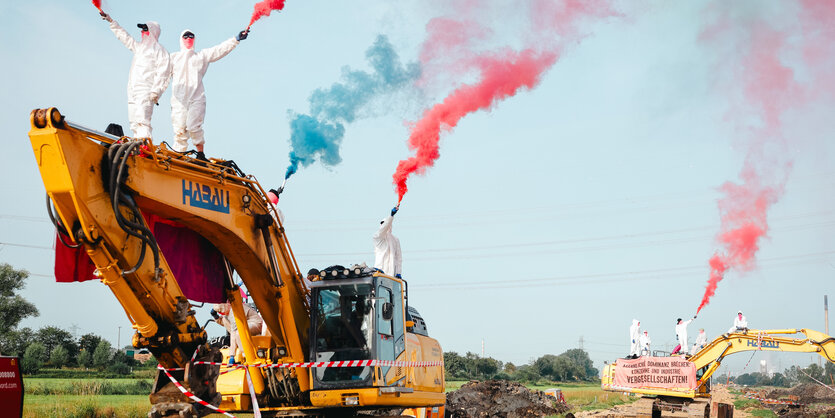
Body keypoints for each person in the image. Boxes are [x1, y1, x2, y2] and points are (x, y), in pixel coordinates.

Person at [169, 28, 249, 153]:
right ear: (181, 39)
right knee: (179, 129)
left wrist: (236, 39)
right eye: (186, 36)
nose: (189, 38)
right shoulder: (173, 58)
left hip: (196, 98)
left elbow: (219, 50)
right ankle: (177, 155)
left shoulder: (201, 56)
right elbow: (161, 73)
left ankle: (200, 154)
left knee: (193, 126)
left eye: (191, 36)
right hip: (179, 100)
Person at [100, 12, 171, 139]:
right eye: (142, 29)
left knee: (142, 120)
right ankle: (138, 146)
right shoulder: (139, 47)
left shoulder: (160, 51)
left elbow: (164, 73)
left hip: (146, 89)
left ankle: (145, 147)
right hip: (132, 88)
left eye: (145, 29)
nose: (142, 32)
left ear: (153, 31)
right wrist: (111, 21)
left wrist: (156, 91)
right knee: (134, 121)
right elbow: (125, 37)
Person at [373, 206, 402, 276]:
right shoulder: (377, 237)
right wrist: (391, 216)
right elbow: (384, 228)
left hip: (391, 274)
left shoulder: (395, 240)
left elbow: (399, 258)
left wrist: (398, 272)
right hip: (379, 271)